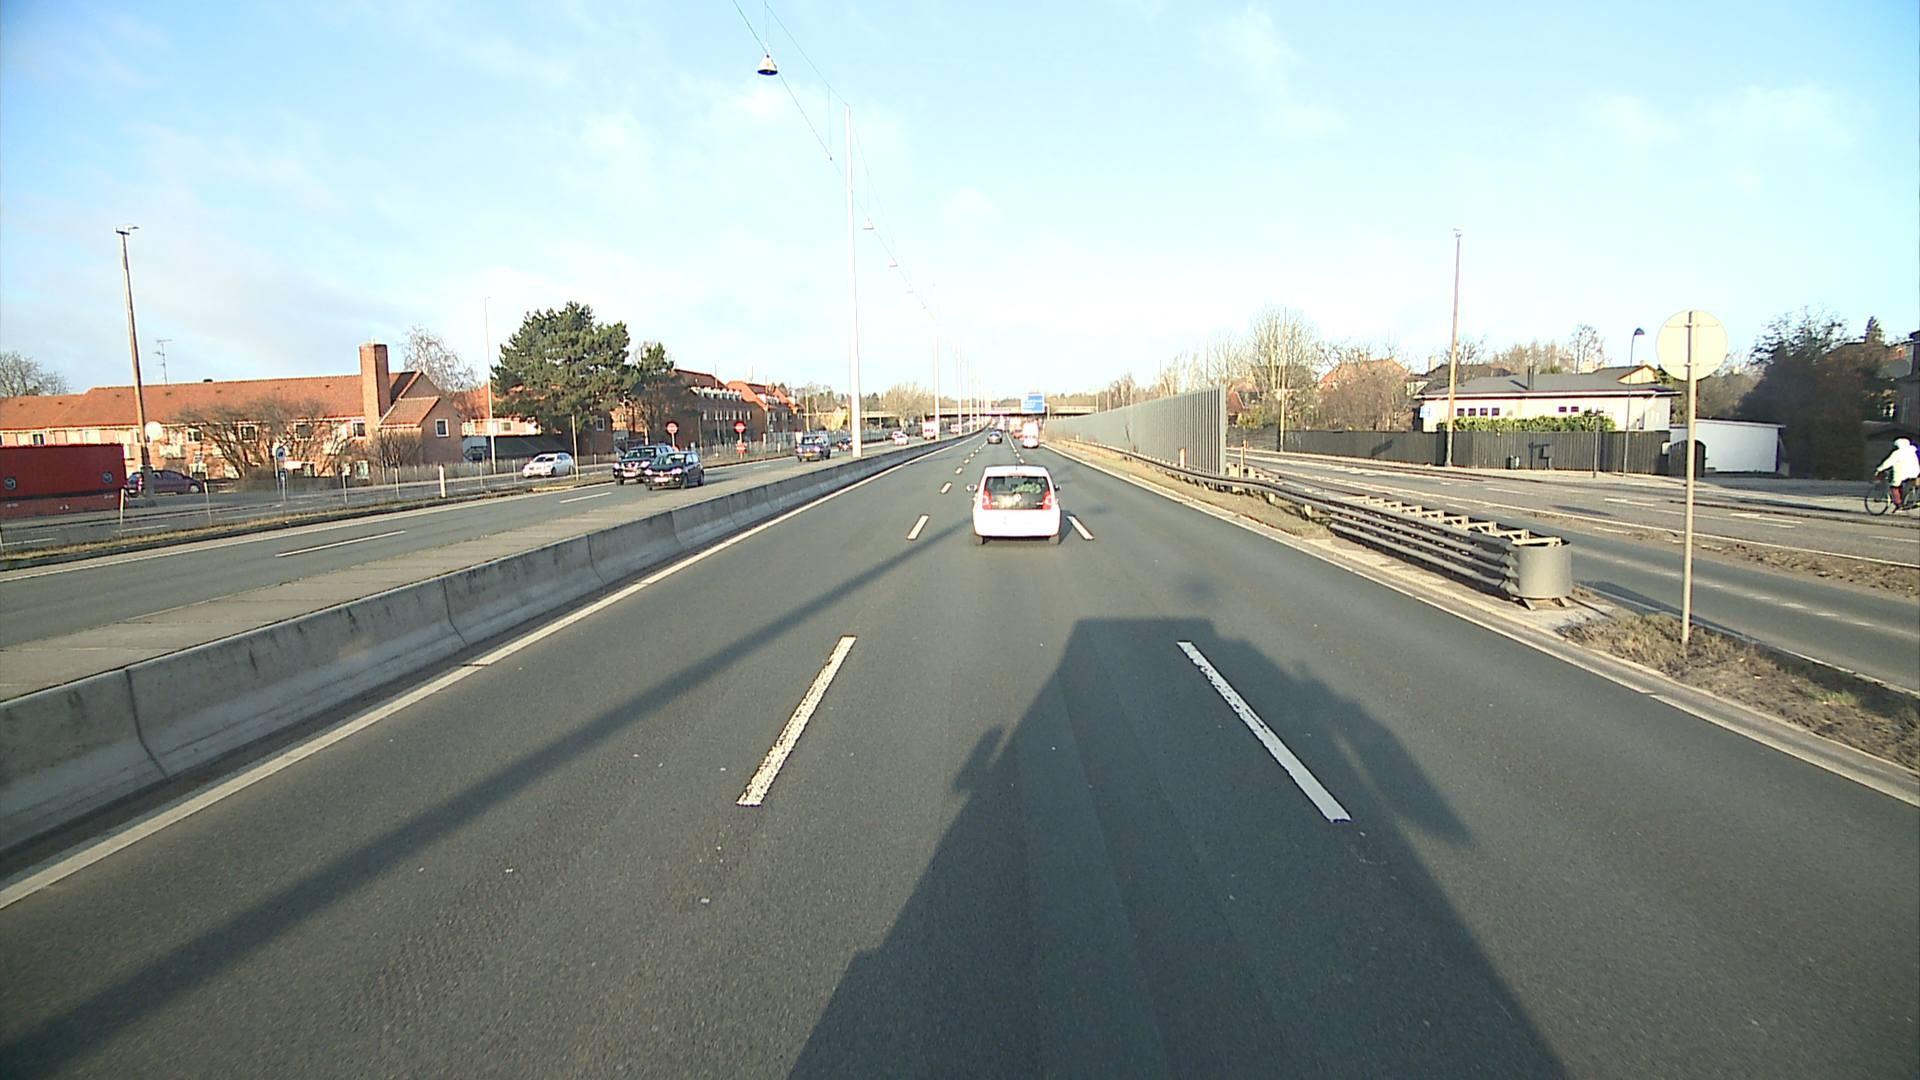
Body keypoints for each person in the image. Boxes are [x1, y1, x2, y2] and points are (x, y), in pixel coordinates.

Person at [1874, 437, 1920, 509]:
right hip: (1915, 472)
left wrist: (1879, 469)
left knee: (1894, 486)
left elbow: (1887, 463)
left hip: (1902, 472)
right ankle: (1904, 500)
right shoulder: (1912, 451)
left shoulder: (1897, 453)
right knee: (1903, 485)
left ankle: (1898, 504)